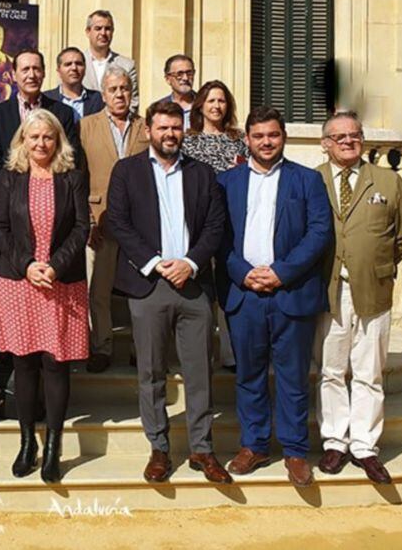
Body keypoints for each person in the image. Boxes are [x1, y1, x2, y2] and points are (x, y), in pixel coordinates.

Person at [106, 100, 231, 484]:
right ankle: (159, 448)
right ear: (148, 130)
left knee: (199, 373)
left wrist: (190, 262)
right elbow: (118, 222)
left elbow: (215, 225)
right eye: (163, 128)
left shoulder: (202, 174)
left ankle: (202, 449)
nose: (170, 134)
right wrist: (156, 262)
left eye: (176, 128)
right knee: (151, 371)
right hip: (148, 285)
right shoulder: (126, 171)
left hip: (193, 285)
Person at [216, 107, 333, 488]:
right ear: (246, 139)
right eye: (259, 136)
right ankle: (254, 444)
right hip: (244, 293)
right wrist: (243, 272)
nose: (266, 142)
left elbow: (319, 232)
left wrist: (282, 272)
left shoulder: (307, 180)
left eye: (273, 135)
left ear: (283, 137)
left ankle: (296, 451)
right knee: (249, 375)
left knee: (293, 377)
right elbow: (217, 235)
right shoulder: (226, 182)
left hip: (292, 292)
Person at [316, 111, 402, 485]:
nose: (347, 141)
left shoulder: (388, 181)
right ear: (325, 143)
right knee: (331, 370)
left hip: (373, 290)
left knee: (368, 371)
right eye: (339, 136)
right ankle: (334, 441)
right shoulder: (313, 180)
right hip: (329, 291)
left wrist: (377, 264)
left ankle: (364, 445)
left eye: (354, 135)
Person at [0, 109, 90, 484]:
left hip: (61, 282)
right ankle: (26, 442)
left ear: (57, 140)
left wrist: (55, 266)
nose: (41, 144)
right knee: (25, 363)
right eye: (33, 137)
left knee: (56, 363)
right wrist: (29, 264)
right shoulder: (9, 178)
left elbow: (82, 227)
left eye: (47, 137)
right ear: (22, 140)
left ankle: (53, 445)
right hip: (19, 281)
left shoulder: (72, 177)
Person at [78, 66, 149, 373]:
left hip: (139, 224)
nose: (120, 94)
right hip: (100, 220)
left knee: (141, 288)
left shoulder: (146, 127)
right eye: (113, 89)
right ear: (103, 94)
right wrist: (87, 220)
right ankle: (101, 346)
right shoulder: (85, 127)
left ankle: (140, 348)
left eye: (124, 89)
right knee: (98, 289)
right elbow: (78, 177)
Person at [181, 79, 248, 370]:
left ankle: (230, 354)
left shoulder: (239, 138)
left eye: (221, 101)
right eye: (211, 101)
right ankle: (200, 354)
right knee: (200, 290)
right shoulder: (187, 140)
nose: (216, 106)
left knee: (228, 286)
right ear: (201, 106)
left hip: (232, 220)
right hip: (197, 222)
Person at [0, 49, 82, 187]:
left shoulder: (62, 113)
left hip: (53, 193)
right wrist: (9, 192)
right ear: (14, 74)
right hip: (10, 196)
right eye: (25, 70)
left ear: (44, 73)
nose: (31, 75)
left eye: (36, 69)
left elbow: (70, 156)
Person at [82, 10, 139, 112]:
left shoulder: (127, 65)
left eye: (107, 29)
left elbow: (133, 102)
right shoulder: (76, 63)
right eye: (98, 28)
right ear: (88, 32)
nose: (103, 33)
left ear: (112, 32)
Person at [43, 46, 104, 120]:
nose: (74, 68)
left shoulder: (98, 99)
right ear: (59, 71)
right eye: (68, 64)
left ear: (84, 69)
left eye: (78, 64)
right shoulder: (46, 99)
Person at [151, 54, 196, 129]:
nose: (185, 78)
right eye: (179, 74)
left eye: (189, 73)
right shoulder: (158, 108)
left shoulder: (204, 105)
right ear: (168, 79)